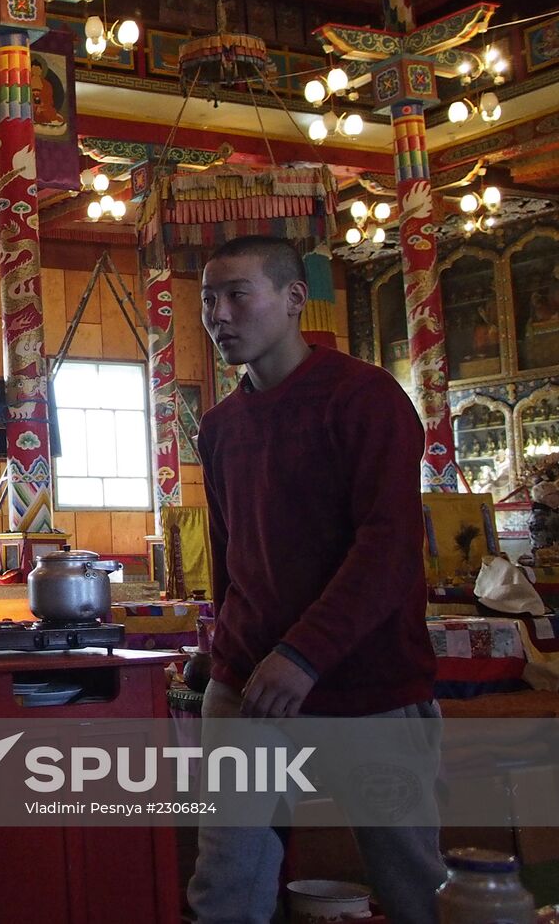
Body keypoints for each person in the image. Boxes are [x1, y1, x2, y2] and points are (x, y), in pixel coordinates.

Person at [188, 236, 442, 924]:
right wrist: (221, 651)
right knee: (226, 879)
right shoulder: (219, 428)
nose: (218, 314)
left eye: (238, 293)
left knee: (409, 875)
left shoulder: (366, 399)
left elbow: (390, 548)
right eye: (209, 298)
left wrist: (304, 652)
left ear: (295, 298)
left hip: (367, 680)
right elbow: (230, 557)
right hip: (246, 683)